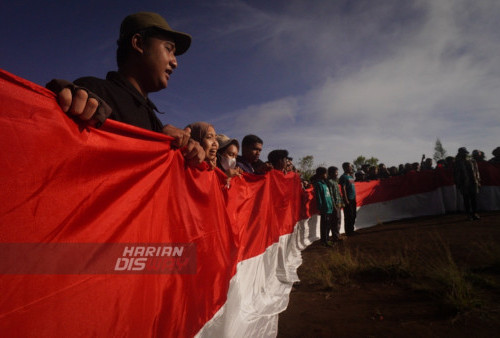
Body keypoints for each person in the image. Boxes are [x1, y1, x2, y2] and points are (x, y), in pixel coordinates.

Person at [46, 12, 204, 166]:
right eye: (168, 49)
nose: (174, 62)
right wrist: (54, 101)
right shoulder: (95, 93)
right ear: (139, 44)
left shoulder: (153, 119)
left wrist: (186, 150)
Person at [454, 147, 481, 221]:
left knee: (474, 199)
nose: (465, 154)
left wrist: (478, 181)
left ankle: (474, 213)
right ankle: (469, 214)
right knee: (466, 199)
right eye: (464, 153)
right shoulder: (457, 162)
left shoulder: (473, 161)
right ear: (460, 153)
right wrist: (458, 183)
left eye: (465, 153)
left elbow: (477, 172)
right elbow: (456, 174)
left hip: (473, 182)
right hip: (464, 183)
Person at [313, 167, 335, 247]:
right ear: (321, 174)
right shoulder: (318, 184)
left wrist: (331, 205)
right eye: (325, 173)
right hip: (324, 209)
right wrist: (321, 208)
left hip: (329, 207)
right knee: (324, 226)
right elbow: (319, 197)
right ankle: (324, 241)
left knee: (328, 225)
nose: (326, 175)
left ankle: (327, 239)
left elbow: (328, 196)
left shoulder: (324, 183)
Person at [339, 162, 357, 236]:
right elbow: (343, 189)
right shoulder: (343, 177)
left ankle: (351, 230)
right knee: (348, 216)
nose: (351, 168)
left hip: (353, 199)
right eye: (350, 167)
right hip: (348, 199)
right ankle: (348, 232)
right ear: (345, 168)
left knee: (353, 215)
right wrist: (346, 200)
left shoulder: (351, 176)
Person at [327, 166, 344, 243]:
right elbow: (331, 195)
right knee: (335, 221)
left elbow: (339, 194)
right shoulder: (329, 182)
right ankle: (335, 237)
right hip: (334, 205)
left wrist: (341, 203)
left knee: (338, 220)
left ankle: (337, 235)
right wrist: (334, 205)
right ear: (331, 173)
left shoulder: (335, 182)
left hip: (339, 204)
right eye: (336, 172)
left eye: (337, 172)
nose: (337, 174)